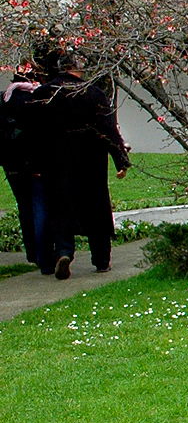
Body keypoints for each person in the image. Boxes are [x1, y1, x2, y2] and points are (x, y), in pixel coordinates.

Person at [36, 44, 130, 278]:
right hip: (91, 161)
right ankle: (101, 260)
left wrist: (33, 163)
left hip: (54, 161)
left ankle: (64, 251)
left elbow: (33, 132)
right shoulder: (94, 93)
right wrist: (120, 159)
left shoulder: (42, 94)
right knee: (96, 207)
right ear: (80, 68)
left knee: (60, 208)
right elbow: (108, 128)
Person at [2, 66, 48, 270]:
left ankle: (31, 251)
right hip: (36, 160)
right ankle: (43, 251)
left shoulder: (4, 99)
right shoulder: (38, 98)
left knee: (24, 206)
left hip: (11, 161)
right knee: (40, 205)